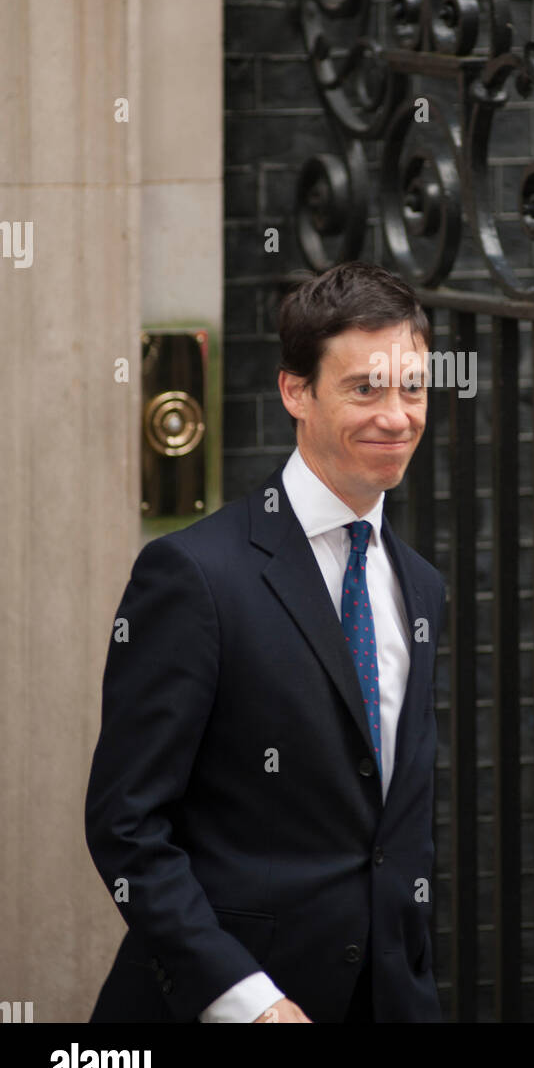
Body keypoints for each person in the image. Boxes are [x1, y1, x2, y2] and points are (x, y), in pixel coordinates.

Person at [85, 261, 446, 1023]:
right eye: (364, 389)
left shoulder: (420, 586)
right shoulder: (194, 575)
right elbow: (127, 825)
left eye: (411, 387)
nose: (396, 415)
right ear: (295, 392)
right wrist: (248, 1002)